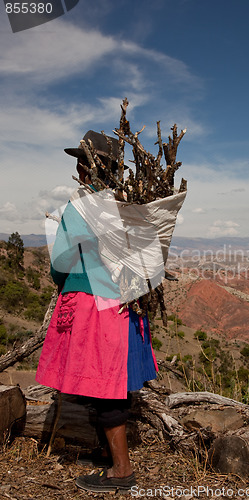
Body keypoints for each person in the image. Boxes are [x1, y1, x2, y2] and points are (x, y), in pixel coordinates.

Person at [36, 131, 158, 494]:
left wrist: (67, 279)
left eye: (81, 162)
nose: (78, 168)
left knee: (104, 385)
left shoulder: (82, 205)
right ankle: (110, 455)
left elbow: (60, 261)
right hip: (125, 304)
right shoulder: (128, 205)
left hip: (94, 306)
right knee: (110, 383)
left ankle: (121, 470)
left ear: (87, 168)